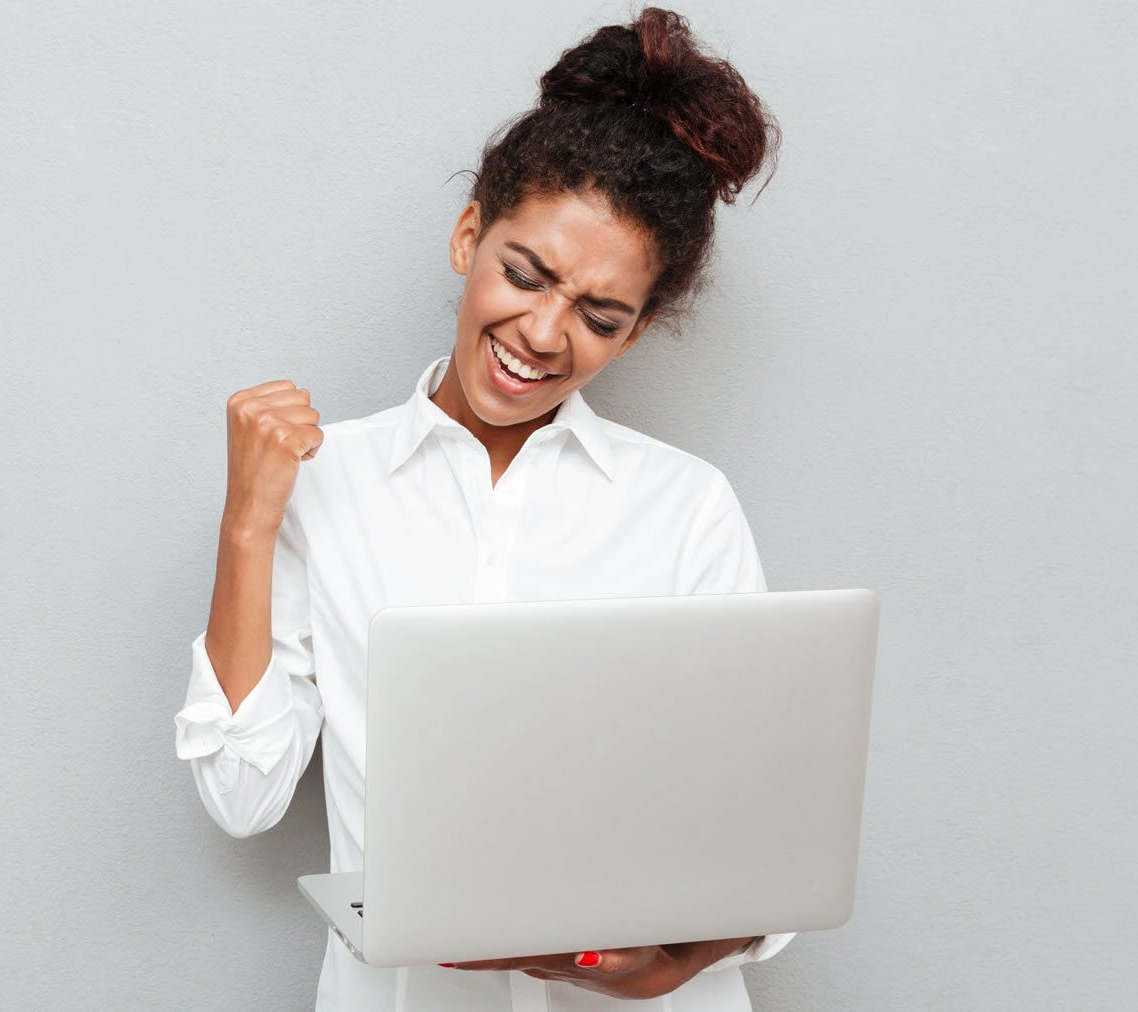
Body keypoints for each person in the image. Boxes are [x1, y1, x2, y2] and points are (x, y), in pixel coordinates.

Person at [174, 8, 793, 1010]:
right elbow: (243, 795)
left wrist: (675, 960)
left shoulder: (684, 508)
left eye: (599, 316)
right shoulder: (324, 481)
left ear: (632, 334)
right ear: (470, 235)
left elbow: (764, 831)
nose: (544, 334)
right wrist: (246, 523)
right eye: (524, 274)